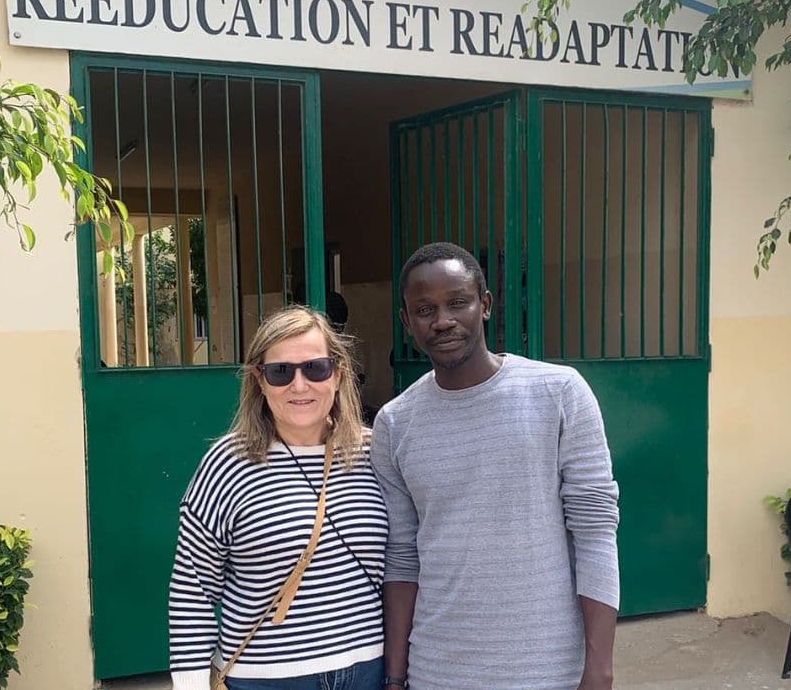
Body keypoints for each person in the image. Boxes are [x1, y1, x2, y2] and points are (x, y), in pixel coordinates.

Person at [371, 242, 620, 690]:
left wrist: (598, 670)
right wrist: (395, 675)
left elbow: (595, 532)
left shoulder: (560, 393)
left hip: (547, 669)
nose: (442, 320)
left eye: (457, 302)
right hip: (438, 670)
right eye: (425, 309)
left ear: (484, 306)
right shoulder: (395, 422)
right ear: (407, 323)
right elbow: (402, 557)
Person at [169, 306, 387, 690]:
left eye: (315, 368)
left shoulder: (374, 453)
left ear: (337, 374)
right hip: (266, 679)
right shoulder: (228, 463)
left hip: (369, 671)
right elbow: (193, 589)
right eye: (281, 372)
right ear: (259, 381)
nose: (299, 386)